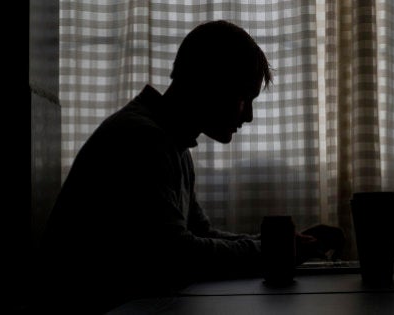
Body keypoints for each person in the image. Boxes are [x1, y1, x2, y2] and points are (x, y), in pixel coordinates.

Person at [37, 20, 344, 314]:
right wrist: (272, 252)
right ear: (211, 83)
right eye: (243, 98)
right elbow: (177, 255)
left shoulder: (170, 142)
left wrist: (282, 244)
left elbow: (199, 234)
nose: (248, 116)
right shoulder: (143, 140)